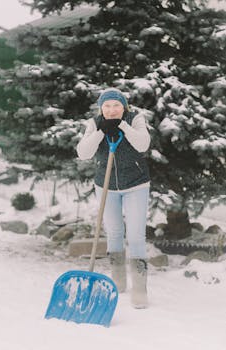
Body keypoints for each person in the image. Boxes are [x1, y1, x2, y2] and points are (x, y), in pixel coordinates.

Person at [77, 88, 150, 308]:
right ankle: (117, 281)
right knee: (115, 232)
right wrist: (100, 131)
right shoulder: (94, 122)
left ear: (124, 106)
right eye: (107, 106)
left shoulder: (135, 119)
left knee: (136, 235)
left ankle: (139, 289)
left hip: (136, 184)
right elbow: (83, 153)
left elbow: (143, 144)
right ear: (101, 108)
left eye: (116, 105)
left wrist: (123, 126)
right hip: (106, 185)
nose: (111, 110)